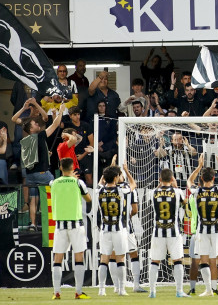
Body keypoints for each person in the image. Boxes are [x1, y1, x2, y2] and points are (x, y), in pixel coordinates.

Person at [187, 153, 218, 296]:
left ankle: (208, 290)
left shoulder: (196, 191)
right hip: (217, 230)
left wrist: (198, 166)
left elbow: (189, 181)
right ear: (214, 178)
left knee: (204, 259)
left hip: (202, 230)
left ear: (201, 178)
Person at [50, 157, 93, 300]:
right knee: (79, 257)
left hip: (60, 225)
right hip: (75, 224)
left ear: (60, 168)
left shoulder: (53, 183)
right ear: (73, 167)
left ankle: (56, 293)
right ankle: (78, 292)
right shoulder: (78, 182)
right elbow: (88, 199)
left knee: (58, 258)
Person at [147, 168, 188, 298]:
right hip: (174, 232)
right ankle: (179, 291)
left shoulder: (152, 192)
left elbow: (156, 193)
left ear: (159, 180)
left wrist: (161, 184)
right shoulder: (177, 192)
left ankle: (152, 291)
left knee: (154, 262)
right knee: (177, 261)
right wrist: (174, 186)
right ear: (172, 179)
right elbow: (185, 204)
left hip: (157, 232)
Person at [96, 164, 136, 297]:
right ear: (115, 177)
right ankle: (122, 289)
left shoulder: (99, 190)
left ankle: (101, 289)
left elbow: (100, 183)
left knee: (104, 259)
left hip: (104, 229)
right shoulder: (121, 190)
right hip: (119, 230)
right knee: (120, 259)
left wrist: (106, 172)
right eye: (118, 175)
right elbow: (133, 185)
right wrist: (127, 172)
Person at [22, 106, 64, 231]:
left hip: (30, 175)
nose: (37, 124)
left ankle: (32, 224)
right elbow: (56, 124)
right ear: (31, 128)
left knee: (33, 199)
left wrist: (46, 155)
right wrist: (60, 112)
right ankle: (59, 220)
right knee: (58, 188)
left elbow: (34, 156)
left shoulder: (26, 140)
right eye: (35, 123)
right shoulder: (40, 136)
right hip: (42, 174)